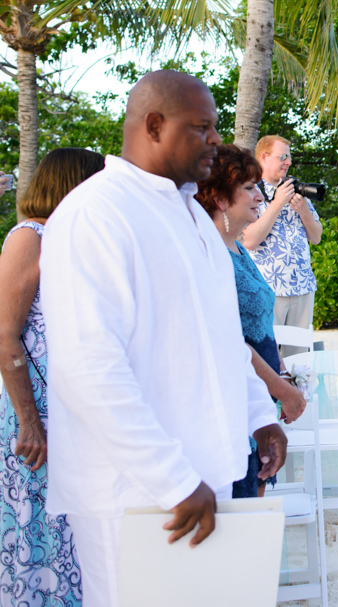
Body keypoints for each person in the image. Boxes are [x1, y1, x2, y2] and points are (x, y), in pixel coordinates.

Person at [39, 71, 287, 606]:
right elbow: (87, 370)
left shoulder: (188, 213)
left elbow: (218, 336)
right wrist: (172, 479)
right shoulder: (93, 214)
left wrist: (258, 416)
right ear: (154, 126)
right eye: (202, 128)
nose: (216, 140)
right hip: (136, 494)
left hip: (205, 477)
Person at [0, 148, 104, 607]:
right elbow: (5, 336)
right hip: (35, 415)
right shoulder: (30, 237)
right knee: (37, 531)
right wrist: (29, 420)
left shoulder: (70, 239)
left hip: (70, 413)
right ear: (73, 185)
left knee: (70, 534)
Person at [195, 144, 307, 498]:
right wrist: (281, 389)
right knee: (241, 504)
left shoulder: (235, 247)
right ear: (220, 198)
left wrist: (282, 371)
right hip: (237, 393)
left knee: (255, 498)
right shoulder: (209, 254)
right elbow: (230, 340)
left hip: (261, 386)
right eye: (248, 188)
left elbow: (256, 325)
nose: (260, 195)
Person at [243, 135, 322, 355]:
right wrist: (277, 203)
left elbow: (316, 237)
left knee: (299, 360)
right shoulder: (250, 192)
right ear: (264, 158)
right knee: (267, 354)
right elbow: (248, 240)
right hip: (269, 289)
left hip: (303, 287)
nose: (288, 162)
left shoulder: (296, 189)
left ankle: (298, 391)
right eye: (283, 157)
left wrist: (304, 211)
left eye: (289, 157)